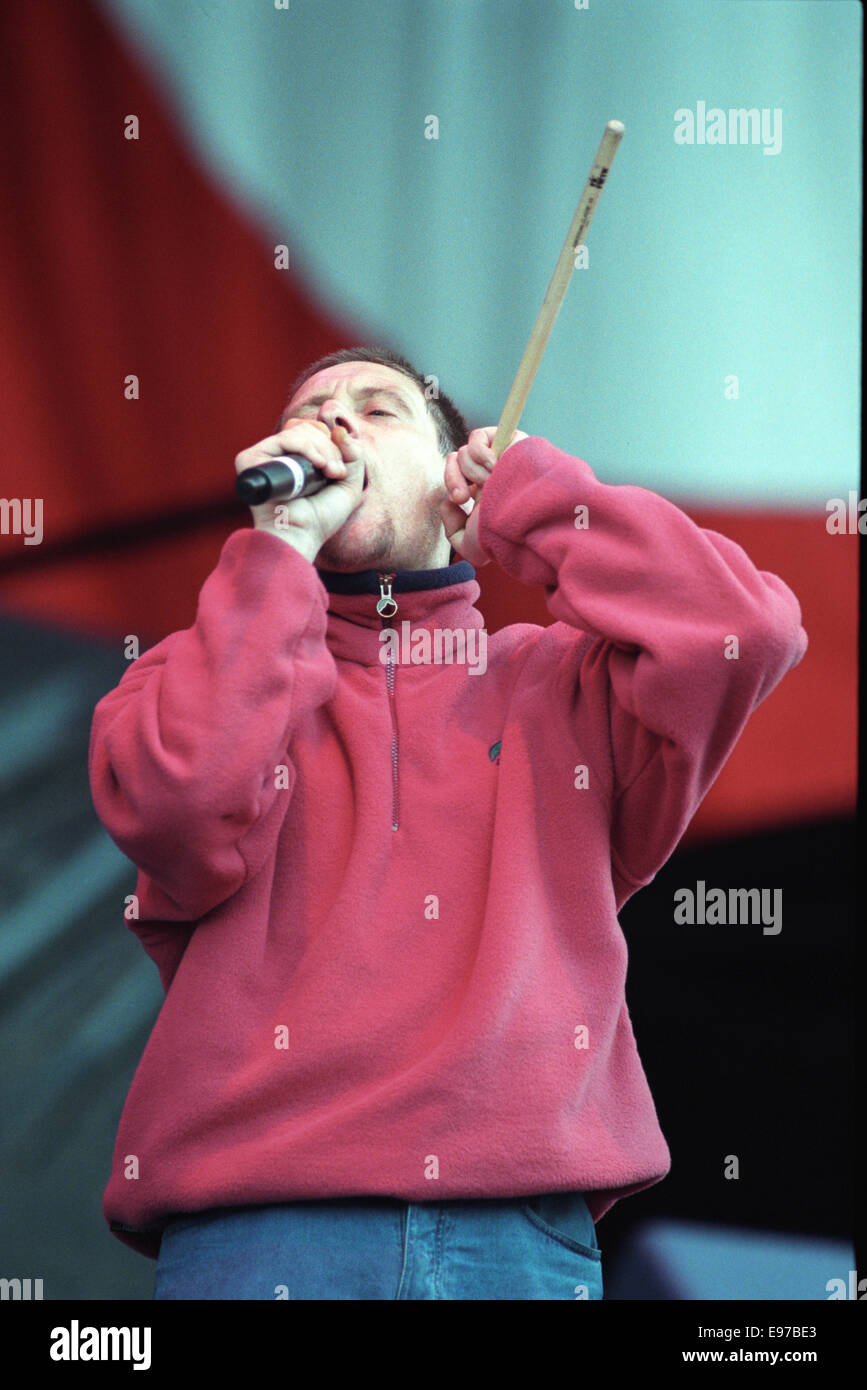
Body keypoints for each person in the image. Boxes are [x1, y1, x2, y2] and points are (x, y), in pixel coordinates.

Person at [89, 345, 807, 1300]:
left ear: (455, 487)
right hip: (262, 1227)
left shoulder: (563, 685)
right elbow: (179, 805)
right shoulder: (188, 670)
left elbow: (743, 632)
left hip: (514, 1236)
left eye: (378, 410)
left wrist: (537, 498)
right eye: (311, 413)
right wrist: (274, 563)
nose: (334, 424)